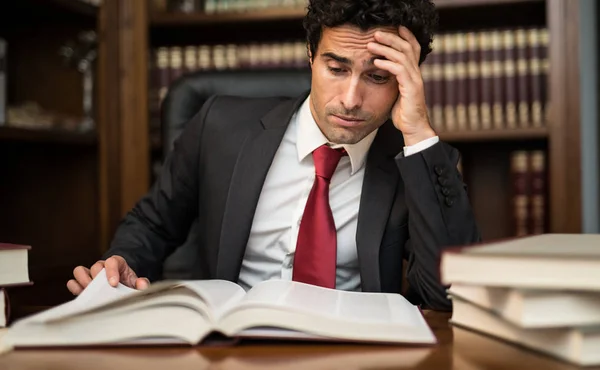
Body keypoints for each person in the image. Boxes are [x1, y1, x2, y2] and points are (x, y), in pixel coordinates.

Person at [67, 0, 480, 311]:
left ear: (408, 80)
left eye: (377, 77)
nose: (351, 99)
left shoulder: (417, 162)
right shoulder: (220, 127)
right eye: (336, 69)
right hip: (229, 347)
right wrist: (122, 262)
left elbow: (446, 294)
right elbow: (154, 224)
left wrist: (418, 130)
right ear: (310, 56)